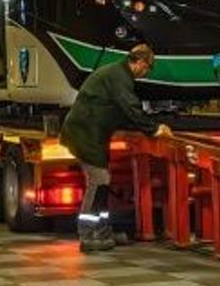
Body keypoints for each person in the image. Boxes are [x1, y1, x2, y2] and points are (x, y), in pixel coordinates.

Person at [60, 44, 171, 252]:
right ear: (138, 62)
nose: (146, 73)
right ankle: (86, 234)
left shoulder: (117, 74)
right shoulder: (119, 77)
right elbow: (129, 107)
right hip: (84, 135)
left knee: (103, 181)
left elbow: (121, 112)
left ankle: (102, 231)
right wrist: (154, 129)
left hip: (93, 135)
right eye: (147, 68)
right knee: (98, 181)